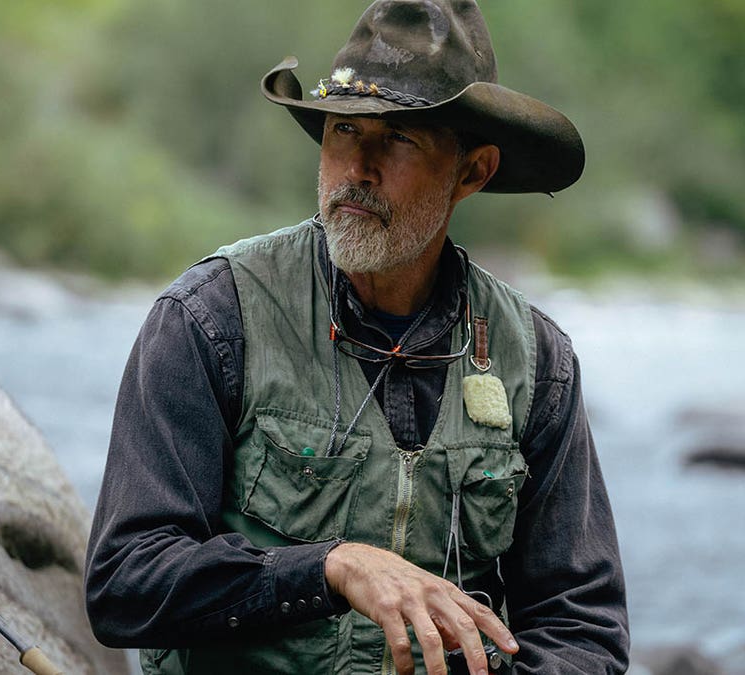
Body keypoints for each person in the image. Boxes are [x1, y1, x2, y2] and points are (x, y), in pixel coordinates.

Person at [84, 1, 629, 673]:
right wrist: (330, 568)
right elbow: (123, 584)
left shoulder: (538, 361)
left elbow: (584, 629)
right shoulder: (211, 317)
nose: (357, 168)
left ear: (473, 172)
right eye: (344, 131)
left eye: (398, 140)